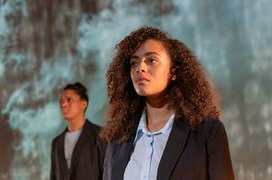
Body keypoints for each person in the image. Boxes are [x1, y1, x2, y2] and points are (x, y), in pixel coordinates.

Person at [100, 27, 234, 180]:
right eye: (133, 63)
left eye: (151, 60)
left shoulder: (206, 132)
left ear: (174, 73)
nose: (140, 68)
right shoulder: (118, 140)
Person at [50, 82, 107, 180]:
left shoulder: (100, 135)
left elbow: (107, 173)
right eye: (61, 101)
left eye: (69, 100)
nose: (63, 104)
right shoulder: (56, 143)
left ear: (84, 104)